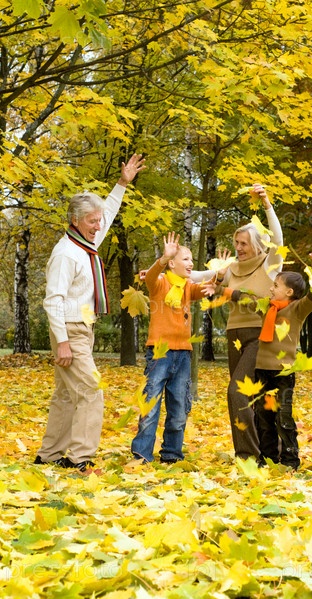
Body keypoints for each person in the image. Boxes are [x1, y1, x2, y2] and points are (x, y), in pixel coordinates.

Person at [34, 153, 146, 472]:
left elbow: (108, 213)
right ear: (75, 220)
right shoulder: (66, 253)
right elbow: (53, 300)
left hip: (83, 328)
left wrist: (122, 183)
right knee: (91, 391)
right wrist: (62, 342)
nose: (99, 226)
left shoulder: (87, 243)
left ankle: (49, 454)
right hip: (69, 330)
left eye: (98, 221)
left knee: (66, 396)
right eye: (92, 222)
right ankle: (80, 458)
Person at [192, 184, 283, 460]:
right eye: (236, 243)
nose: (238, 248)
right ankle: (270, 453)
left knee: (237, 391)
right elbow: (196, 276)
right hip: (235, 336)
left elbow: (278, 237)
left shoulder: (270, 264)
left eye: (243, 243)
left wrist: (267, 204)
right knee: (252, 397)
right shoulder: (231, 268)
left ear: (256, 244)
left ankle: (248, 456)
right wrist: (163, 269)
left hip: (260, 336)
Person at [131, 232, 233, 464]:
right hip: (160, 353)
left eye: (191, 260)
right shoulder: (160, 283)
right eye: (186, 259)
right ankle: (142, 454)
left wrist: (219, 275)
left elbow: (207, 288)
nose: (191, 264)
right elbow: (151, 276)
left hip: (183, 355)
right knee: (151, 404)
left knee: (179, 407)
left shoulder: (187, 287)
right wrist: (164, 257)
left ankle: (172, 454)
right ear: (172, 263)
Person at [254, 254, 312, 470]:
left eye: (276, 285)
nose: (271, 288)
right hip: (262, 371)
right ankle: (268, 459)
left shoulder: (297, 310)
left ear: (289, 292)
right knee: (264, 418)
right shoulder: (267, 308)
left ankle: (290, 460)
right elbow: (244, 298)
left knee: (283, 417)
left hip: (283, 374)